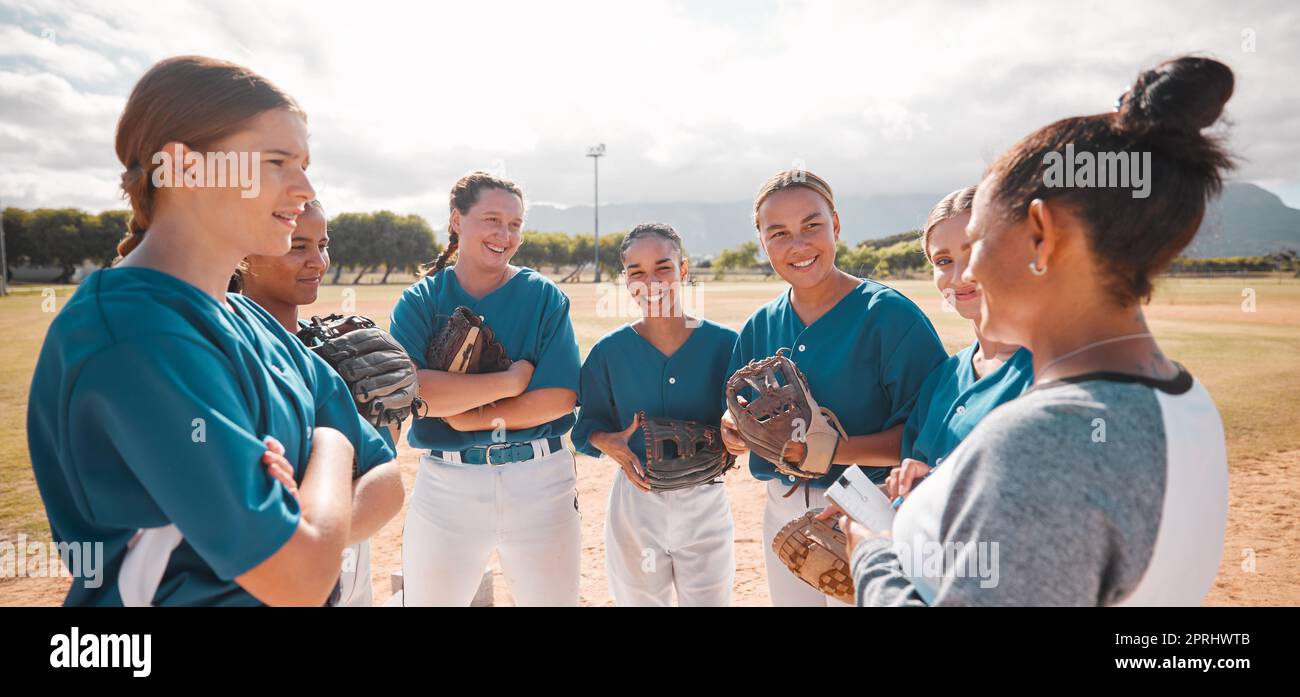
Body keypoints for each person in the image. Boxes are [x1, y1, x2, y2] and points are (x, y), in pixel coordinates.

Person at [847, 55, 1235, 606]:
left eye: (978, 240)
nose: (968, 273)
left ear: (1041, 234)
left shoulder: (1044, 440)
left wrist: (875, 554)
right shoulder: (1187, 400)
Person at [27, 55, 395, 606]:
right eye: (277, 161)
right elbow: (296, 579)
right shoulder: (134, 333)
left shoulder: (252, 322)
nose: (303, 187)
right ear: (184, 167)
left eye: (304, 163)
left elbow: (388, 480)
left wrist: (313, 516)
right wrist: (334, 442)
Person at [720, 169, 947, 606]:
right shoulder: (760, 325)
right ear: (762, 243)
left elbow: (923, 440)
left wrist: (827, 452)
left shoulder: (889, 316)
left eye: (812, 226)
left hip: (868, 502)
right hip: (782, 503)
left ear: (836, 225)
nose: (798, 245)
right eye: (779, 233)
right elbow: (737, 412)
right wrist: (733, 427)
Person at [390, 171, 582, 606]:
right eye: (492, 220)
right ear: (457, 220)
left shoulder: (543, 297)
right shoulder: (421, 300)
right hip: (447, 483)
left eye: (515, 225)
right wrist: (510, 381)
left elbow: (557, 398)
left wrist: (467, 413)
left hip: (540, 481)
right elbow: (416, 392)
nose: (505, 234)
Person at [237, 200, 405, 607]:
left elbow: (383, 467)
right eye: (298, 246)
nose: (318, 261)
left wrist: (320, 534)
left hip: (344, 539)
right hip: (254, 567)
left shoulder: (327, 354)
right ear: (242, 252)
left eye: (323, 244)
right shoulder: (229, 348)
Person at [573, 223, 740, 606]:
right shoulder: (609, 352)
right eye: (637, 272)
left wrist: (737, 433)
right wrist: (606, 442)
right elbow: (588, 426)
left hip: (705, 498)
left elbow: (743, 418)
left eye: (663, 267)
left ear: (683, 271)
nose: (651, 281)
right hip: (636, 500)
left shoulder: (725, 344)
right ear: (626, 281)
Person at [885, 186, 1034, 501]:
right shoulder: (942, 379)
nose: (959, 276)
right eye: (943, 260)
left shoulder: (1055, 370)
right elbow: (916, 487)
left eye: (975, 253)